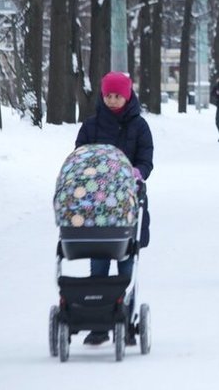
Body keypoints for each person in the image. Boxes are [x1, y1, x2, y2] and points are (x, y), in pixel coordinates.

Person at [75, 71, 154, 345]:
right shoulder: (91, 126)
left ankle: (126, 319)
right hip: (95, 203)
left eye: (117, 95)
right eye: (108, 95)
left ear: (127, 95)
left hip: (127, 201)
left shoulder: (139, 126)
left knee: (125, 262)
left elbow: (146, 158)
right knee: (98, 262)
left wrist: (137, 172)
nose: (112, 100)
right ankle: (98, 323)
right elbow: (80, 155)